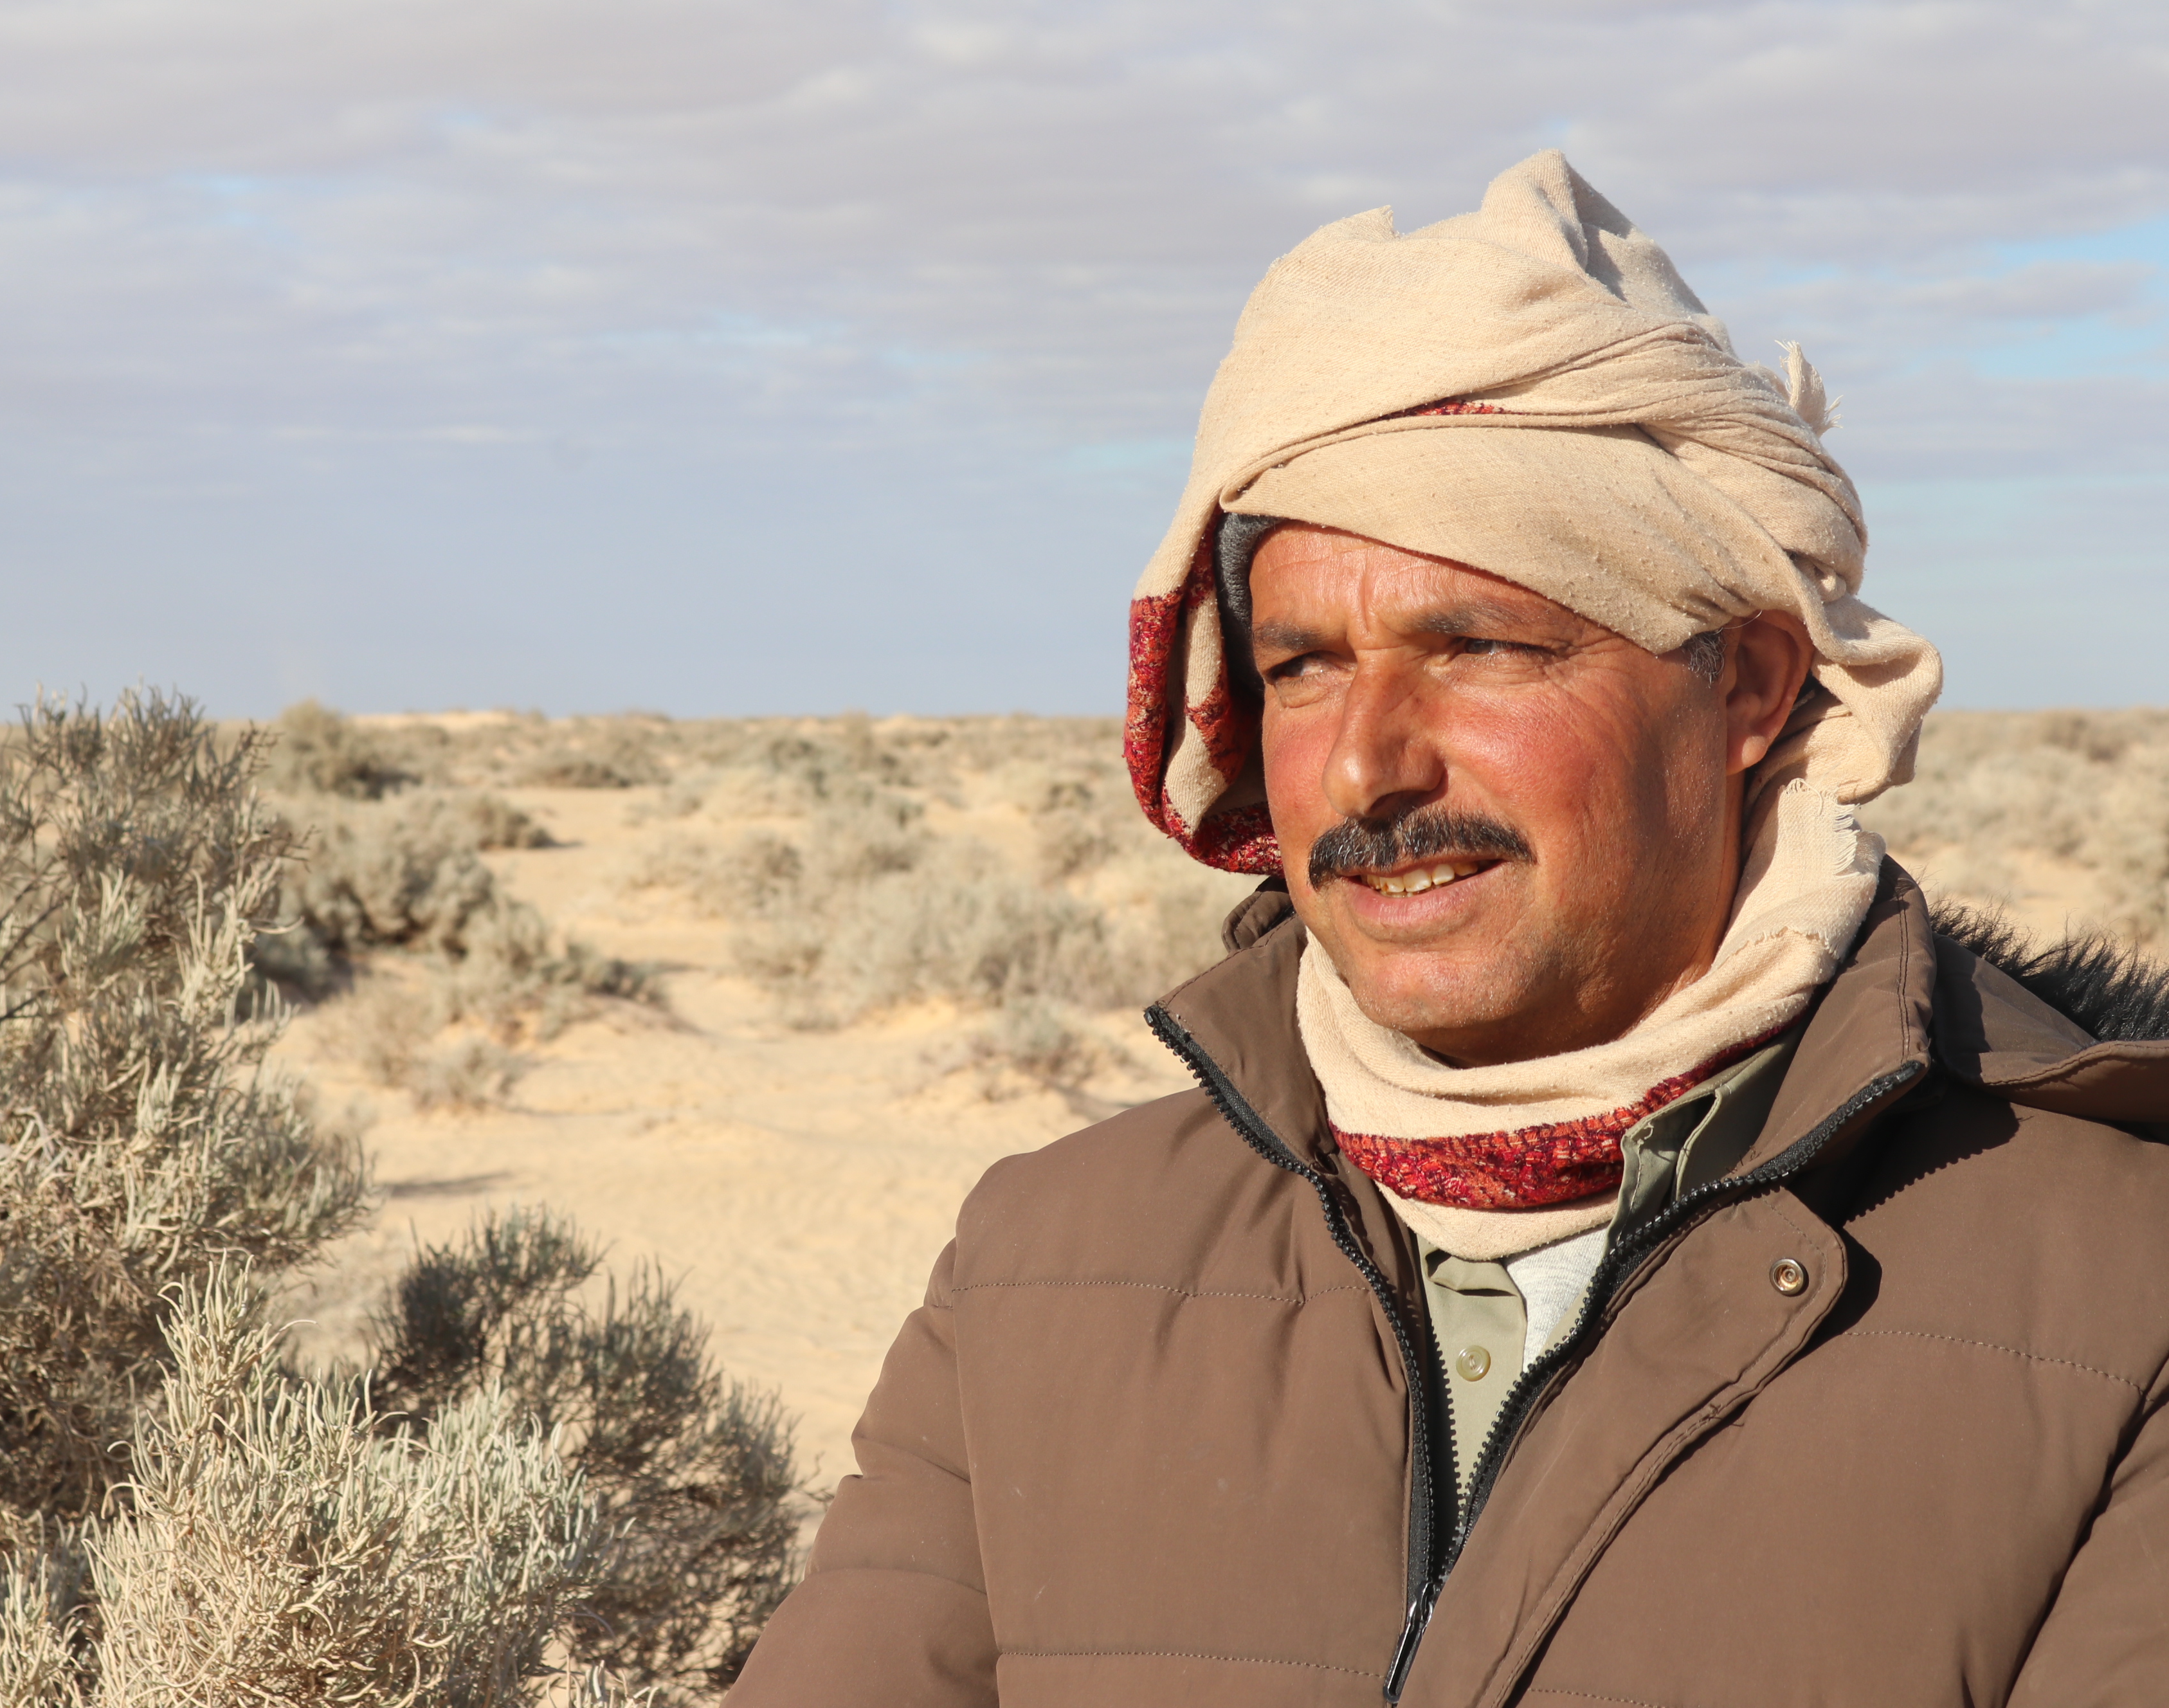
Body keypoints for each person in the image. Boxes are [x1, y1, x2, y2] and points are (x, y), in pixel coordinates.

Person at [726, 152, 2169, 1706]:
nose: (1366, 764)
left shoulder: (2118, 1288)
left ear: (1747, 684)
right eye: (1300, 668)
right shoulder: (1045, 1260)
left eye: (1477, 645)